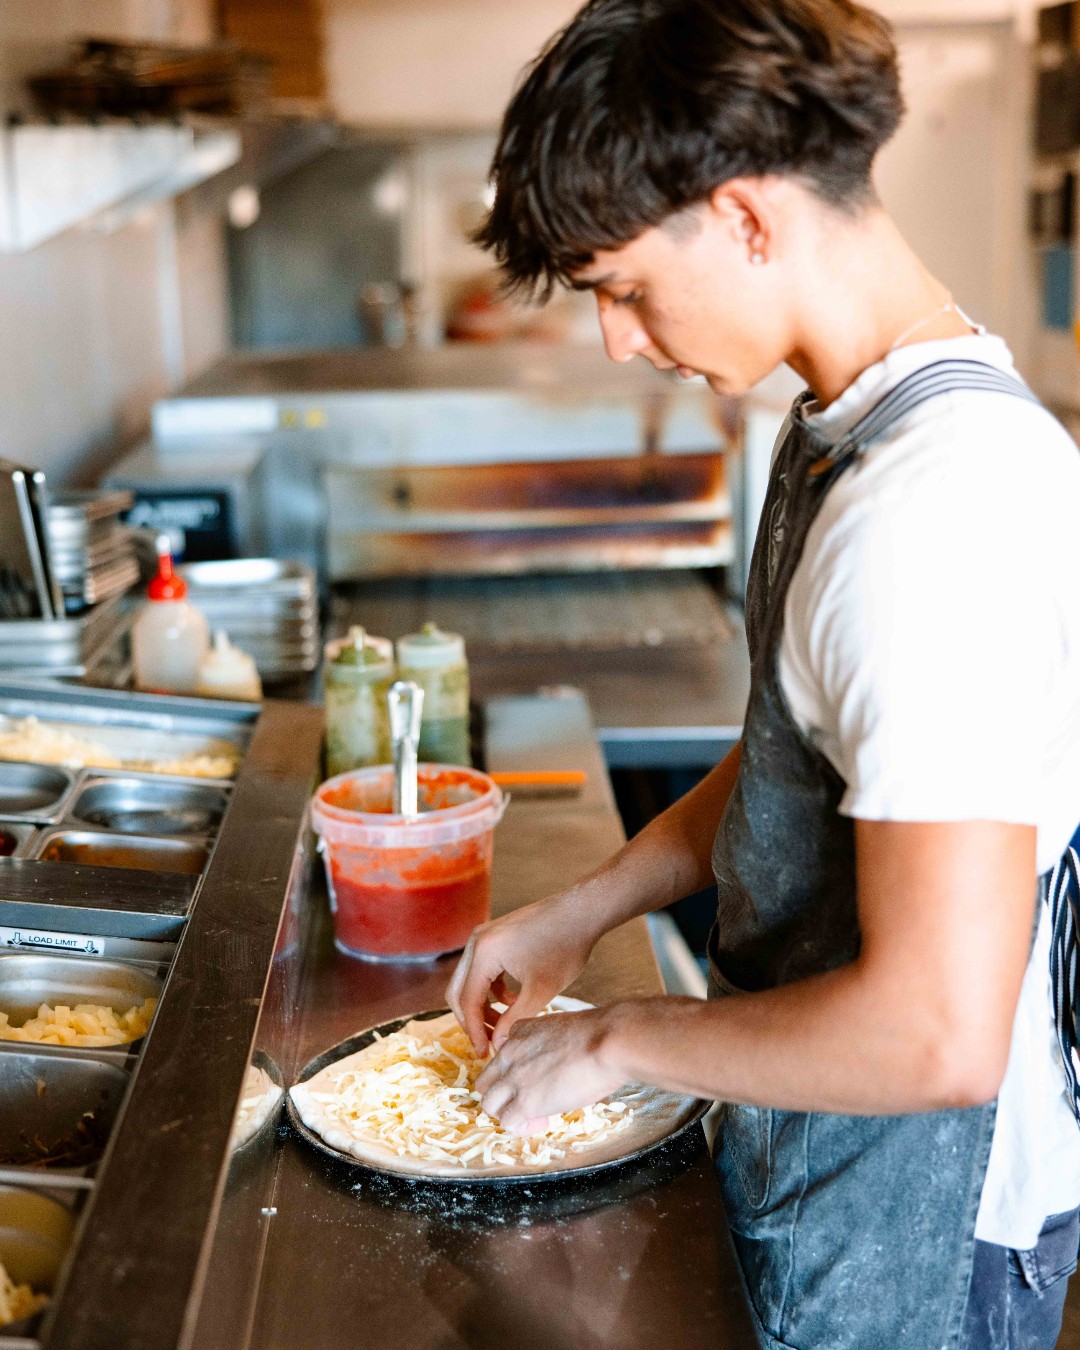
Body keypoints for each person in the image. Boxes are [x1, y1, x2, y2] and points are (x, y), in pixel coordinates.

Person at [446, 1, 1080, 1346]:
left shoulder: (929, 512)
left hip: (916, 1236)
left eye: (620, 285)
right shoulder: (860, 417)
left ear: (742, 217)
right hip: (826, 1168)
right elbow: (808, 752)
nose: (617, 337)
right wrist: (585, 904)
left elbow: (936, 1032)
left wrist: (615, 1036)